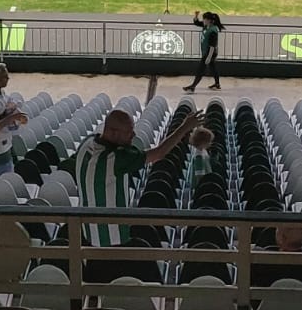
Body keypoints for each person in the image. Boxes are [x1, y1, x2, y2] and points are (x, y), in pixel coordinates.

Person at [74, 106, 204, 251]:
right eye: (129, 132)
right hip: (112, 240)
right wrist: (185, 127)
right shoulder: (116, 158)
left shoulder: (86, 144)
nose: (133, 135)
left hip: (87, 233)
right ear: (113, 132)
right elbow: (159, 153)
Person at [185, 10, 224, 92]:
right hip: (206, 52)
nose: (203, 21)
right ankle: (217, 84)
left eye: (205, 19)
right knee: (213, 68)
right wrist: (196, 16)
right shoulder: (206, 26)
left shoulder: (213, 31)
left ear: (209, 20)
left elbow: (212, 46)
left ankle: (192, 87)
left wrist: (209, 57)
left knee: (200, 70)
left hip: (210, 53)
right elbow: (196, 23)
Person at [186, 126, 214, 196]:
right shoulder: (199, 156)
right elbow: (199, 175)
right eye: (208, 141)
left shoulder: (203, 151)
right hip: (199, 185)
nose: (210, 143)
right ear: (202, 142)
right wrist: (202, 187)